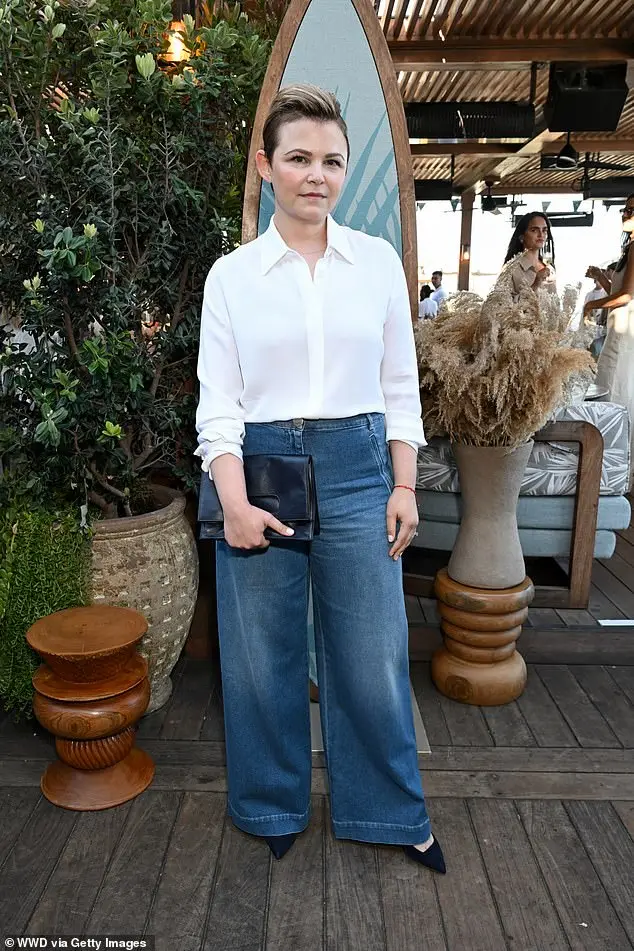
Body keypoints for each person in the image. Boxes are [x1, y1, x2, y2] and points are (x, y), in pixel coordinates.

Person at [196, 84, 445, 873]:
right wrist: (232, 501)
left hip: (358, 464)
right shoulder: (231, 277)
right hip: (260, 465)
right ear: (266, 167)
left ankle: (389, 809)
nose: (317, 175)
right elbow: (218, 407)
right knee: (259, 652)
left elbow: (401, 389)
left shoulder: (375, 264)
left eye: (332, 161)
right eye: (299, 158)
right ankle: (271, 803)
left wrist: (403, 487)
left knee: (372, 650)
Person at [584, 194, 634, 483]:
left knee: (616, 395)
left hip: (625, 332)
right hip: (619, 328)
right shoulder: (629, 249)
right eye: (625, 209)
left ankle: (618, 474)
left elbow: (627, 295)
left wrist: (591, 305)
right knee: (614, 392)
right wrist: (602, 280)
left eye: (632, 210)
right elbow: (620, 288)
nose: (626, 214)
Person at [503, 212, 557, 301]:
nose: (541, 235)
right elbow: (504, 308)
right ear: (521, 237)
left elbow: (554, 305)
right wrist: (536, 284)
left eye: (544, 230)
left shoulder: (550, 269)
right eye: (534, 230)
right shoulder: (511, 270)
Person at [582, 277, 608, 358]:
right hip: (592, 323)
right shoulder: (589, 294)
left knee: (600, 348)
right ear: (595, 281)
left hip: (602, 323)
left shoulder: (606, 293)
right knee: (592, 347)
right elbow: (586, 308)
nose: (600, 282)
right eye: (598, 280)